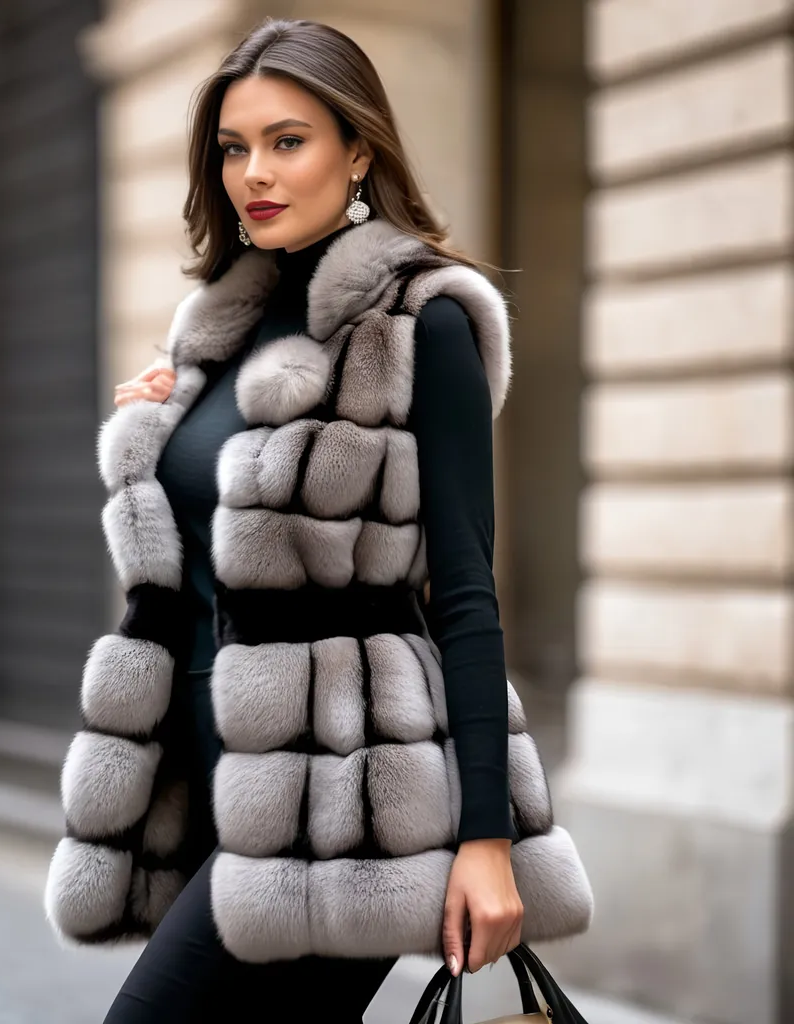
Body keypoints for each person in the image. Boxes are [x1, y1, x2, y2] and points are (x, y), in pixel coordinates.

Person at [44, 18, 593, 1023]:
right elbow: (201, 567)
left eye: (287, 140)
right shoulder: (222, 328)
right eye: (233, 146)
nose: (254, 170)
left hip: (353, 804)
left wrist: (484, 841)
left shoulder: (422, 322)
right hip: (218, 785)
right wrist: (161, 431)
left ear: (358, 150)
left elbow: (465, 594)